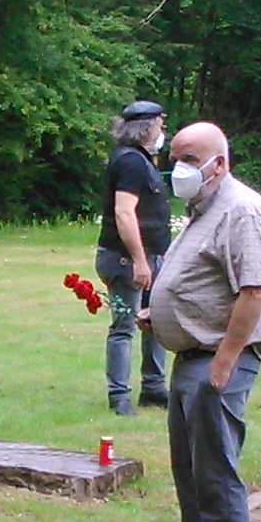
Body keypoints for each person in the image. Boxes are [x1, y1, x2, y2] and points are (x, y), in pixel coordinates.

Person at [142, 122, 261, 522]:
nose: (177, 166)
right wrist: (159, 316)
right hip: (191, 357)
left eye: (189, 157)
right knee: (191, 471)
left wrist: (225, 361)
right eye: (173, 155)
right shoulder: (202, 208)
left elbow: (254, 289)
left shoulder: (241, 208)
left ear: (218, 162)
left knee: (216, 473)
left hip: (219, 360)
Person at [94, 100, 171, 415]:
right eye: (159, 124)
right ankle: (120, 397)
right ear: (147, 126)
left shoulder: (139, 160)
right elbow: (124, 214)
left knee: (156, 322)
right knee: (125, 325)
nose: (162, 130)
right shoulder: (131, 163)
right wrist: (140, 260)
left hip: (147, 259)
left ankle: (153, 388)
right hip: (128, 262)